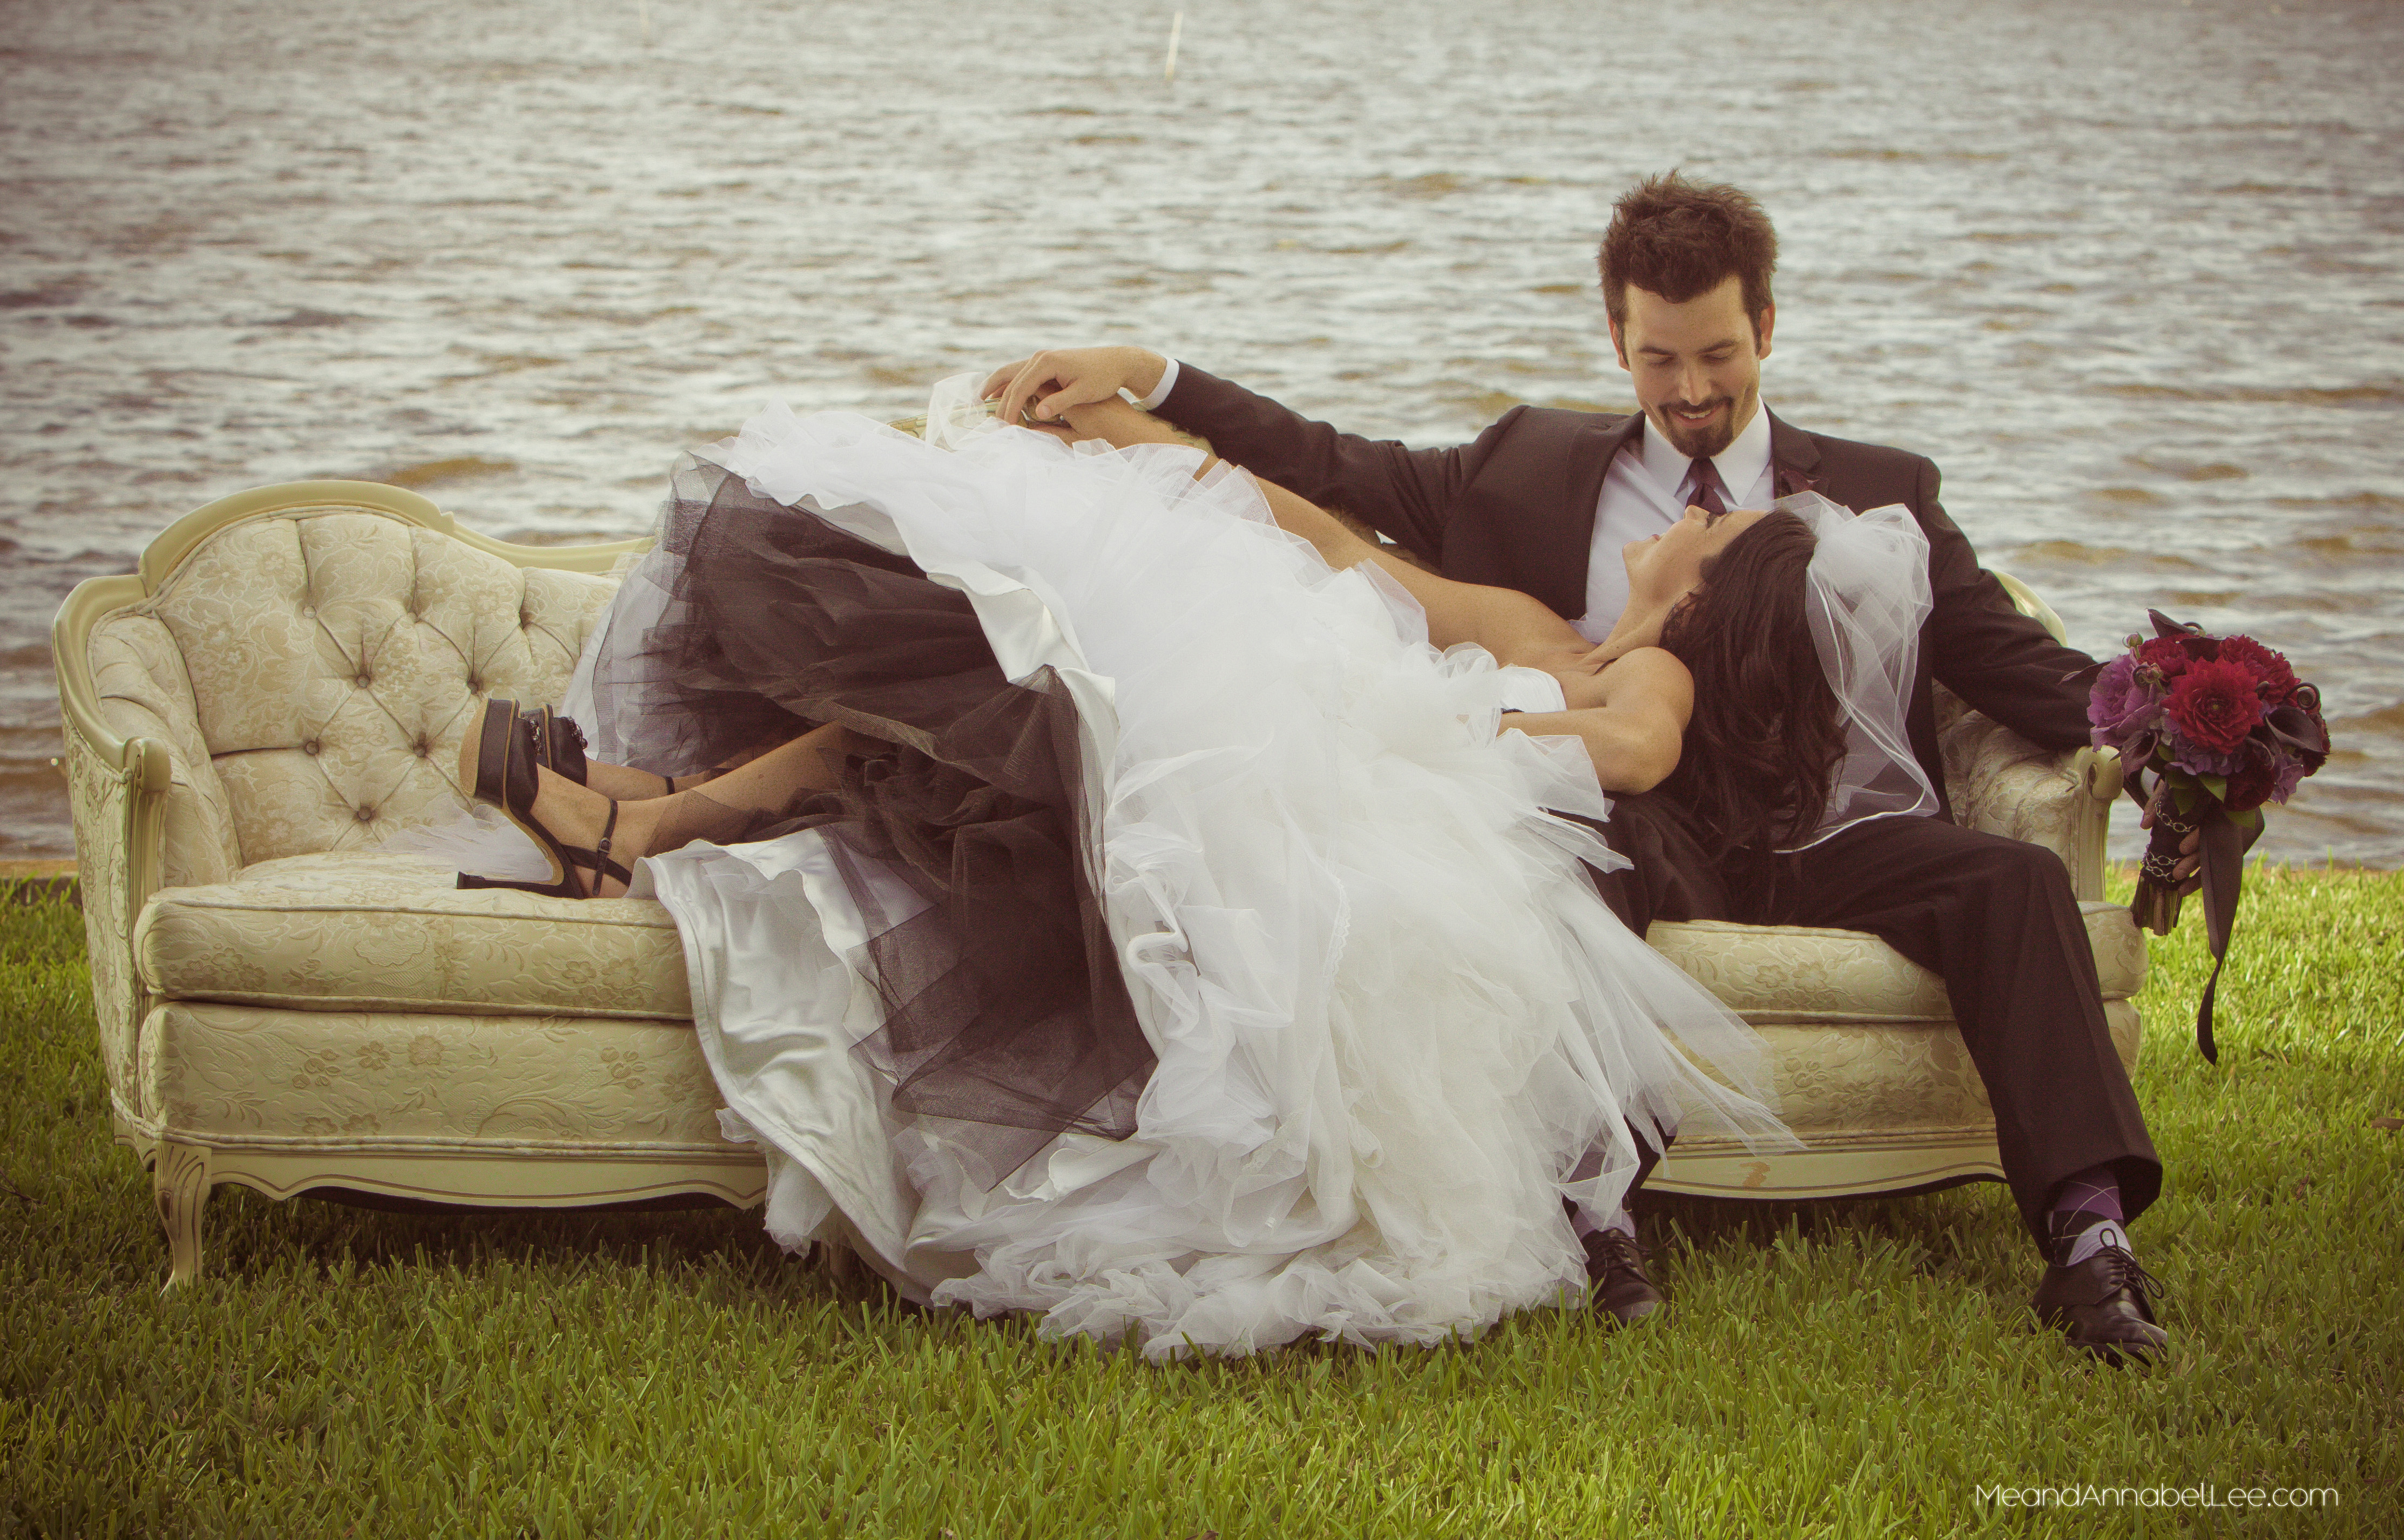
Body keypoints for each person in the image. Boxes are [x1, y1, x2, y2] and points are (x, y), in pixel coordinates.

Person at [984, 172, 2170, 1363]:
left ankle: (2087, 1236)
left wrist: (2171, 739)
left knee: (2011, 883)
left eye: (1718, 353)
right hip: (1653, 816)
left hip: (1841, 829)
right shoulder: (1525, 467)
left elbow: (2004, 658)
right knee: (1569, 857)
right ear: (1617, 338)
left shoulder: (1883, 487)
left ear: (1766, 325)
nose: (1694, 390)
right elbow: (1331, 478)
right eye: (1660, 360)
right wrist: (1155, 378)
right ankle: (1599, 1205)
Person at [440, 381, 1871, 1356]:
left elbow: (1621, 761)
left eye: (1711, 525)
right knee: (997, 701)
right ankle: (637, 809)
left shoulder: (1653, 682)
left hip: (1354, 796)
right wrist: (1139, 427)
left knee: (1033, 712)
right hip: (1310, 748)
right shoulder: (1524, 612)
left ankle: (632, 822)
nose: (1683, 511)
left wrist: (1458, 706)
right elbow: (1327, 538)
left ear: (1706, 587)